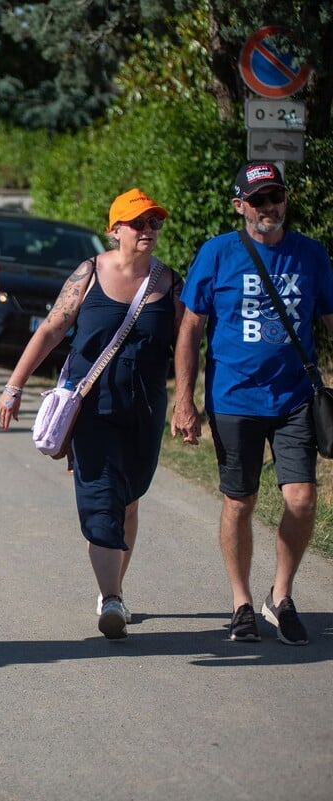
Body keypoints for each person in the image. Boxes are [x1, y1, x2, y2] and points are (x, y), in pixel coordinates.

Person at [0, 188, 182, 640]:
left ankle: (113, 588)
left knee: (130, 498)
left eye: (154, 222)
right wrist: (14, 384)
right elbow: (52, 328)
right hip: (93, 406)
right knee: (101, 497)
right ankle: (112, 598)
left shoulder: (170, 282)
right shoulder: (90, 273)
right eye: (138, 223)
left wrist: (188, 401)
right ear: (114, 229)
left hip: (144, 408)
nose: (147, 230)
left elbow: (186, 347)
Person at [172, 162, 333, 646]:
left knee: (302, 500)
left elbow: (330, 319)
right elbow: (190, 328)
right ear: (239, 204)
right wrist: (185, 399)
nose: (269, 207)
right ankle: (241, 602)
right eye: (258, 199)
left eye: (276, 196)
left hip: (294, 398)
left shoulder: (311, 254)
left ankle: (280, 596)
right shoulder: (217, 254)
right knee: (239, 501)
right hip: (233, 398)